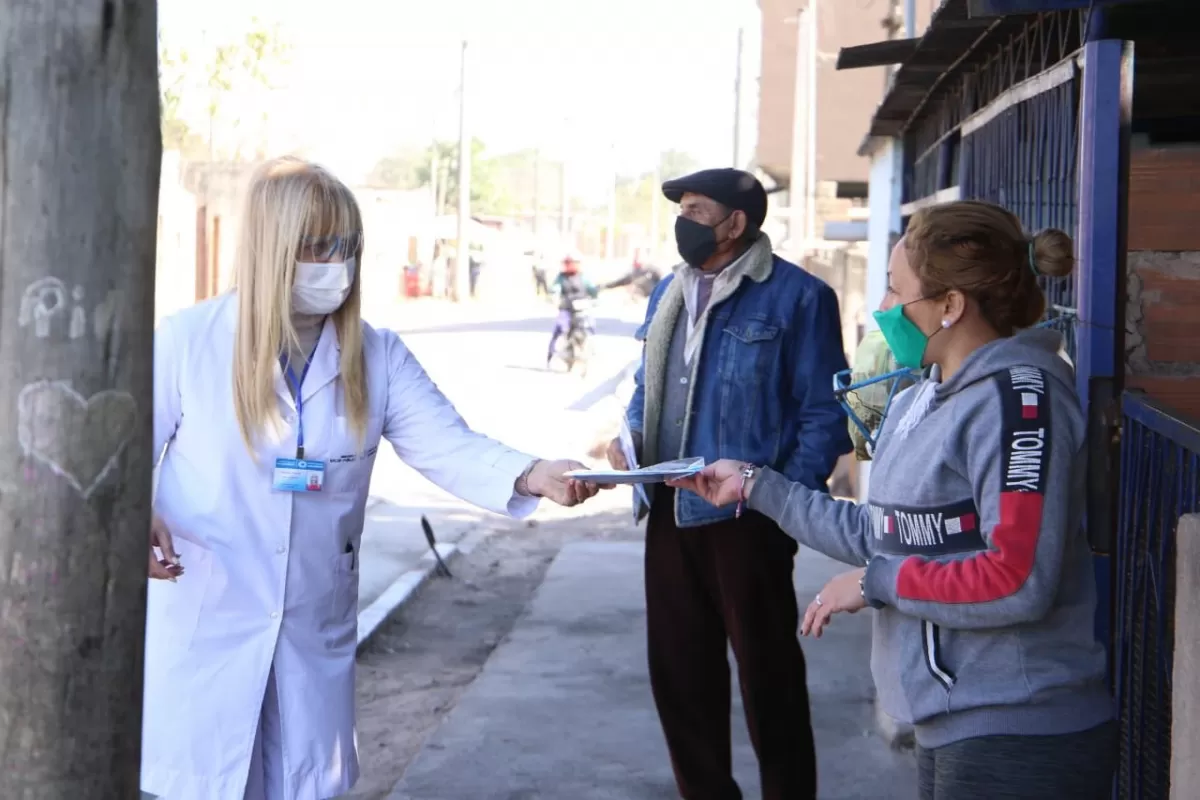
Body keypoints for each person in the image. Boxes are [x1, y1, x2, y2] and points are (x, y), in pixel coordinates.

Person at [142, 157, 604, 800]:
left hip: (309, 625)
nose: (336, 263)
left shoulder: (376, 355)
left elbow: (448, 444)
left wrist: (533, 474)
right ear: (272, 250)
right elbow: (120, 452)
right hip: (206, 621)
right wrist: (132, 516)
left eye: (347, 246)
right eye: (316, 246)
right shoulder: (189, 342)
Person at [670, 200, 1115, 800]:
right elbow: (881, 532)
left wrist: (878, 583)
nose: (883, 311)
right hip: (949, 720)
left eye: (895, 291)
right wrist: (755, 485)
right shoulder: (923, 397)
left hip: (1019, 724)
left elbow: (1016, 579)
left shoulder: (1018, 405)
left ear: (951, 306)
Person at [607, 167, 852, 799]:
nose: (682, 222)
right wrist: (630, 443)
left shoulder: (799, 298)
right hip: (670, 511)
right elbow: (647, 388)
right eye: (681, 210)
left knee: (769, 680)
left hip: (749, 520)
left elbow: (824, 415)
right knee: (680, 677)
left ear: (735, 223)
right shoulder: (669, 292)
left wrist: (781, 502)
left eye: (694, 210)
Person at [546, 254, 598, 367]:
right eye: (568, 263)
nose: (570, 265)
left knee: (590, 327)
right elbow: (555, 288)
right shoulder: (561, 277)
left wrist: (595, 296)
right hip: (566, 308)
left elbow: (592, 289)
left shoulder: (583, 277)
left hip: (582, 309)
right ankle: (551, 355)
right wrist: (554, 295)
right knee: (560, 329)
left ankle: (590, 352)